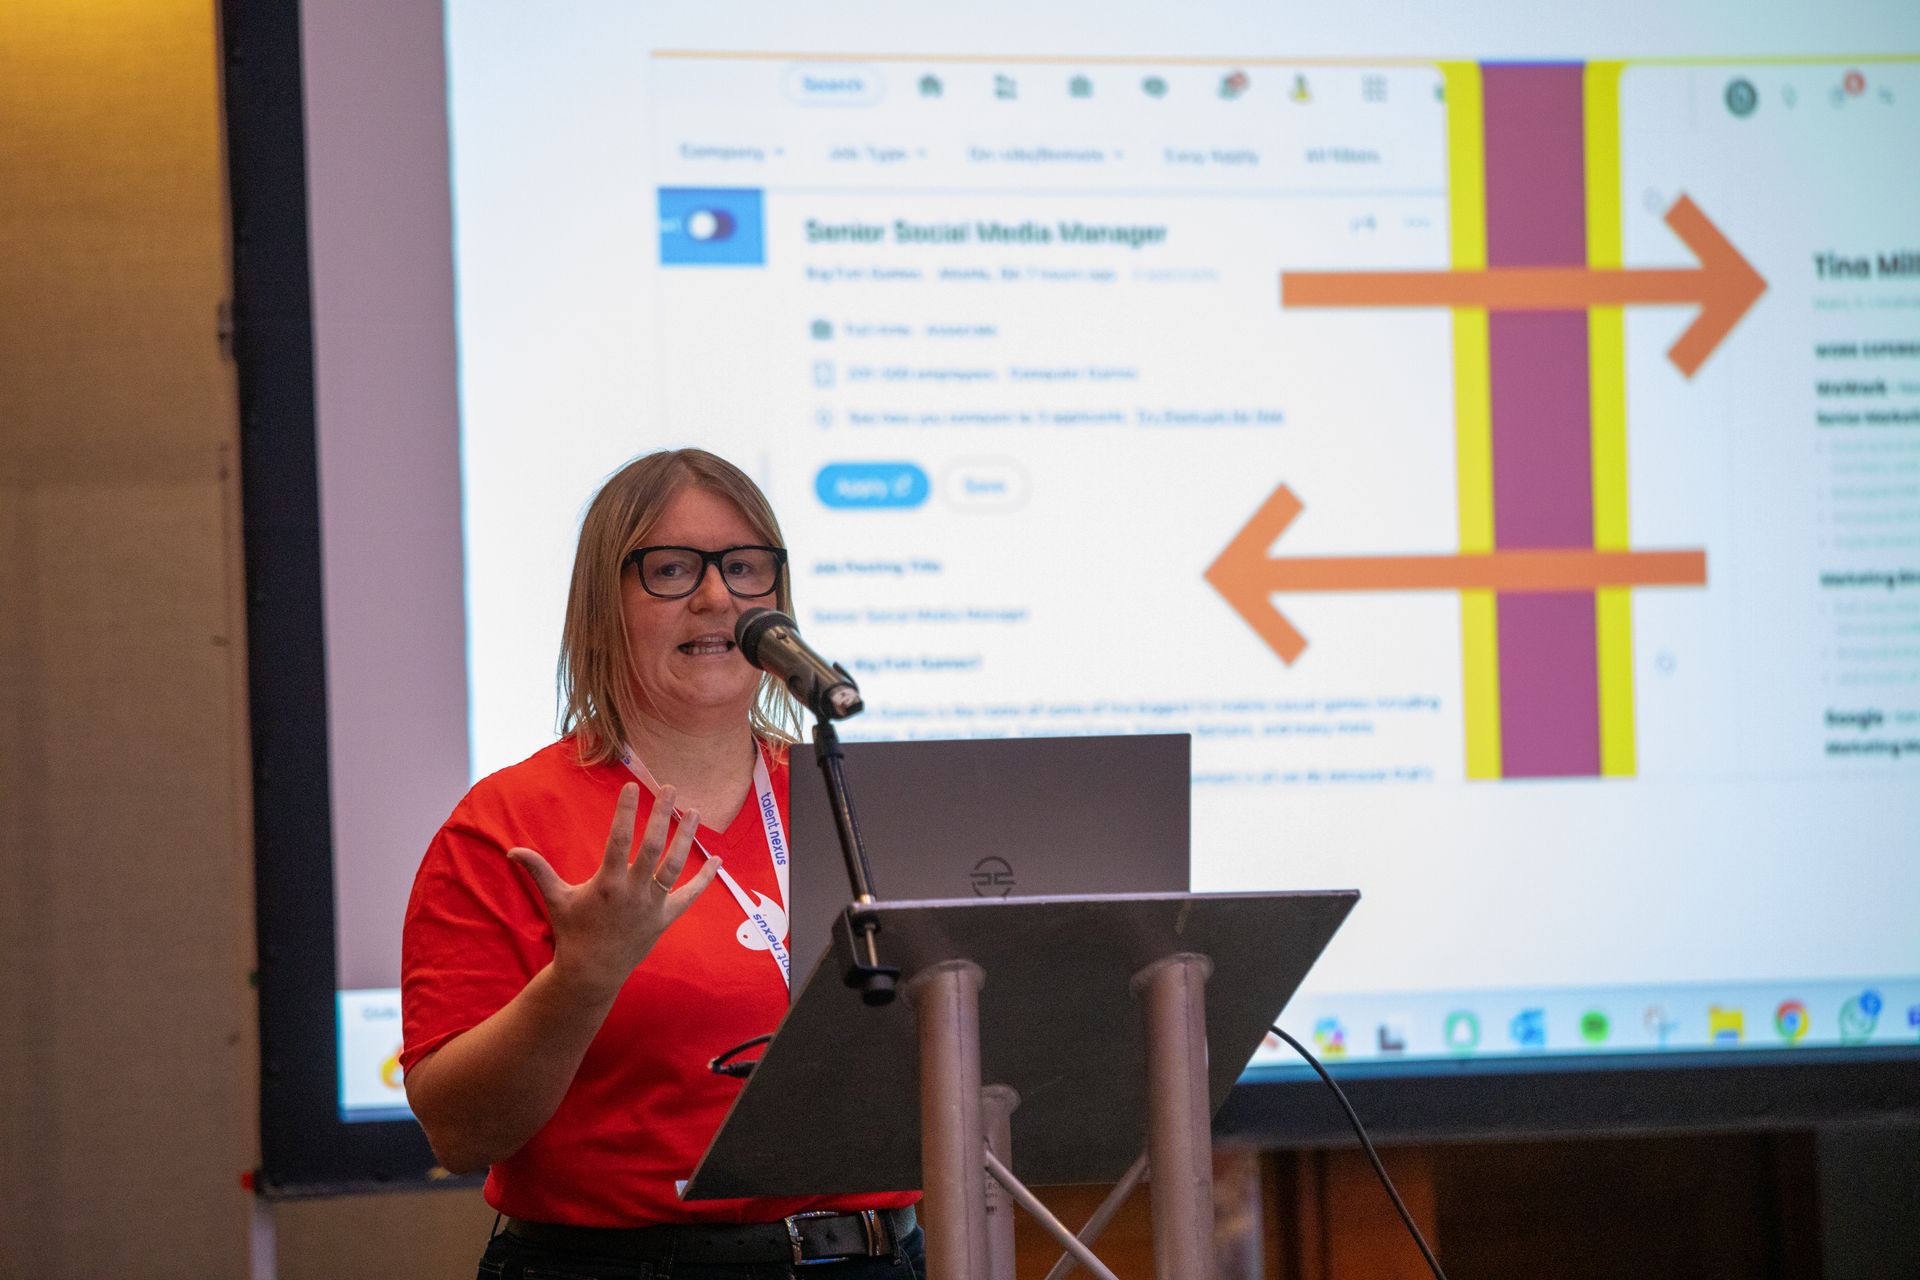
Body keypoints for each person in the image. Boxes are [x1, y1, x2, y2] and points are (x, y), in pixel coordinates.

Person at [401, 449, 921, 1279]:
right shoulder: (506, 823)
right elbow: (460, 1133)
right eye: (673, 569)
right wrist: (582, 979)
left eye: (746, 567)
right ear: (603, 607)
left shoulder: (855, 802)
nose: (719, 596)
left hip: (874, 1259)